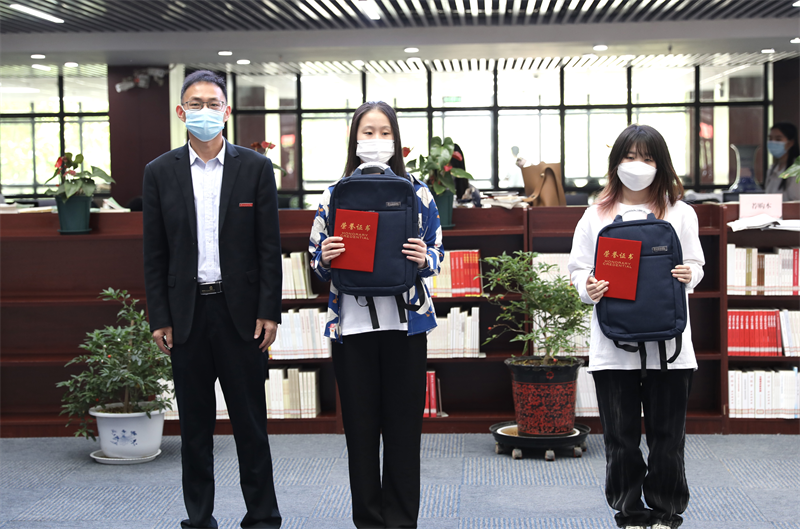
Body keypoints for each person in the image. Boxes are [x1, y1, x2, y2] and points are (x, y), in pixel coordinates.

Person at [142, 70, 282, 529]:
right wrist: (159, 316)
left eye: (213, 103)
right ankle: (199, 520)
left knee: (250, 426)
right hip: (187, 316)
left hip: (241, 316)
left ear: (227, 111)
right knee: (194, 429)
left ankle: (262, 518)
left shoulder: (255, 168)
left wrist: (269, 311)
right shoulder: (159, 172)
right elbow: (154, 253)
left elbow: (269, 247)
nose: (205, 111)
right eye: (195, 103)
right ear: (181, 112)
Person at [308, 101, 443, 529]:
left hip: (406, 328)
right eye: (367, 132)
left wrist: (424, 258)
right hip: (352, 328)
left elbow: (438, 251)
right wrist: (325, 256)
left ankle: (401, 521)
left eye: (385, 132)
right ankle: (367, 520)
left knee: (404, 432)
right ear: (354, 139)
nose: (376, 140)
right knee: (361, 433)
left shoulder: (418, 192)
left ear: (396, 140)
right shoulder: (334, 194)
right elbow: (315, 260)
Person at [567, 124, 705, 529]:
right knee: (620, 440)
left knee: (668, 439)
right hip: (613, 346)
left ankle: (666, 514)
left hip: (670, 348)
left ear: (661, 164)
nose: (637, 165)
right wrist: (588, 286)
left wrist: (689, 274)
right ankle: (629, 514)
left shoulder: (681, 212)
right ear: (616, 163)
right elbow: (577, 269)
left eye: (646, 158)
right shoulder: (595, 215)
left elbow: (696, 264)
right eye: (629, 157)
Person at [764, 122, 800, 201]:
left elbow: (796, 201)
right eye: (770, 139)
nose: (773, 142)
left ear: (790, 143)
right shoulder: (772, 169)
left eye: (778, 139)